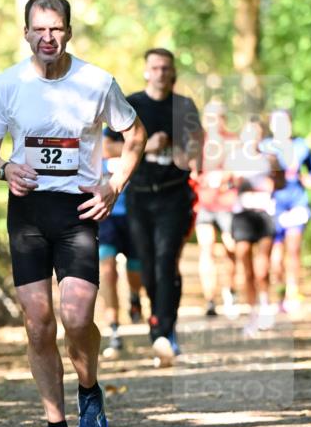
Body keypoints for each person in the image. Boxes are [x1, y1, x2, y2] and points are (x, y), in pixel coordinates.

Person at [0, 0, 146, 427]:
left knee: (75, 318)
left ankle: (89, 390)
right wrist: (5, 169)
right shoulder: (7, 84)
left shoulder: (96, 81)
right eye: (39, 29)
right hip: (28, 212)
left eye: (56, 29)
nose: (47, 38)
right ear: (25, 32)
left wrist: (114, 186)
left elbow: (135, 135)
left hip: (79, 211)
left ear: (68, 31)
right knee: (37, 325)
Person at [106, 48, 203, 366]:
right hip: (140, 195)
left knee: (166, 262)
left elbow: (197, 152)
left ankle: (164, 330)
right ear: (147, 71)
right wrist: (146, 145)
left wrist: (183, 152)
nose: (161, 72)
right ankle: (157, 323)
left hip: (174, 196)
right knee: (147, 265)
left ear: (172, 73)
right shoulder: (132, 104)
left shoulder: (184, 106)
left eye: (166, 68)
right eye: (155, 67)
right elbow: (108, 146)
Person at [226, 118, 280, 337]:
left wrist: (271, 185)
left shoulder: (270, 159)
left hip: (264, 215)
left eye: (256, 133)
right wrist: (234, 181)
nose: (252, 138)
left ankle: (266, 305)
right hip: (242, 216)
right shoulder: (234, 159)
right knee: (246, 267)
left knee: (262, 267)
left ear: (261, 137)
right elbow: (226, 183)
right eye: (249, 133)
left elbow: (281, 182)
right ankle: (252, 315)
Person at [260, 110, 311, 314]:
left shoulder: (301, 145)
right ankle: (278, 293)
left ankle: (292, 294)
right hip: (273, 205)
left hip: (297, 203)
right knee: (275, 257)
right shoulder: (264, 146)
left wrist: (309, 179)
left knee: (293, 250)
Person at [98, 131, 143, 356]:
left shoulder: (133, 132)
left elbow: (140, 147)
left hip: (134, 217)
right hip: (105, 219)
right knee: (107, 272)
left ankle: (135, 296)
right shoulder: (97, 136)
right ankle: (114, 329)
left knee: (135, 271)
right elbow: (104, 147)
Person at [195, 101, 238, 318]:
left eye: (218, 116)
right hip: (205, 203)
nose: (214, 121)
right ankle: (210, 300)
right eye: (210, 117)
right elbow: (191, 171)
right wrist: (202, 178)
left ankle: (230, 291)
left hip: (228, 203)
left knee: (231, 248)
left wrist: (225, 176)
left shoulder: (233, 141)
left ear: (224, 118)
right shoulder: (199, 143)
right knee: (206, 249)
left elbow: (238, 168)